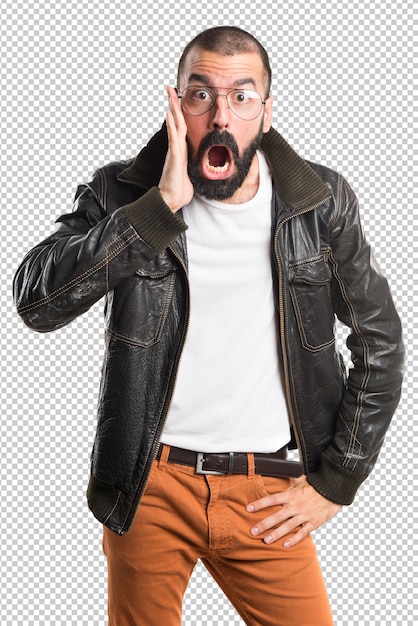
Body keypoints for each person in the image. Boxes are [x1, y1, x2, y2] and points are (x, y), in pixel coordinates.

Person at [13, 26, 404, 626]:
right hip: (149, 485)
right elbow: (37, 301)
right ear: (176, 105)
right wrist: (157, 209)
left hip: (268, 492)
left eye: (242, 97)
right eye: (202, 95)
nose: (221, 116)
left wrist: (336, 481)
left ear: (266, 114)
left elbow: (380, 342)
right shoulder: (123, 192)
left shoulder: (318, 202)